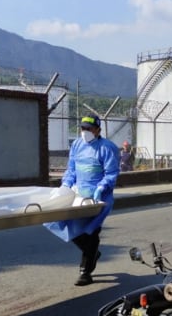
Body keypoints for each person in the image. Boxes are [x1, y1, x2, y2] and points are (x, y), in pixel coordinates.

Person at [45, 114, 119, 286]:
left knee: (91, 232)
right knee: (64, 224)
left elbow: (111, 173)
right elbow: (71, 169)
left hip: (98, 197)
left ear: (98, 130)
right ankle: (92, 253)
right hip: (78, 195)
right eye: (83, 128)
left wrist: (101, 188)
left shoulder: (107, 148)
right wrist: (66, 184)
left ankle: (85, 272)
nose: (85, 132)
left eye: (89, 129)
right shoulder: (77, 145)